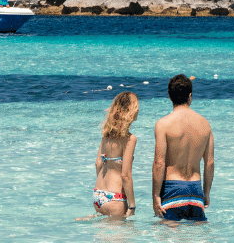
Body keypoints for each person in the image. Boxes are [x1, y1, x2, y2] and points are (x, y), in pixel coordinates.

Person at [152, 74, 214, 223]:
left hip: (172, 189)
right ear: (190, 96)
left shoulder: (163, 124)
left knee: (168, 236)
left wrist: (155, 196)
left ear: (169, 96)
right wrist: (206, 193)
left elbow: (159, 163)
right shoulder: (205, 124)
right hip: (196, 190)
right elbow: (209, 163)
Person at [80, 92, 139, 221]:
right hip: (115, 197)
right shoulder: (129, 139)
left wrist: (103, 192)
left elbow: (98, 164)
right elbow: (126, 175)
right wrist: (132, 205)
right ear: (130, 111)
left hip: (98, 193)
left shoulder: (106, 134)